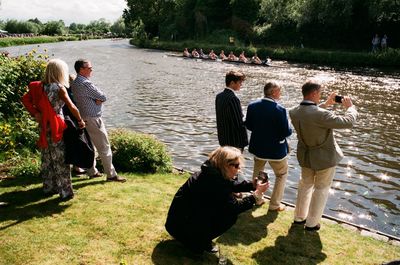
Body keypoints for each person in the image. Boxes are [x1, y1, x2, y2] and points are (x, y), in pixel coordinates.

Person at [165, 146, 268, 253]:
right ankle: (196, 242)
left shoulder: (209, 173)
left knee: (217, 212)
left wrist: (252, 185)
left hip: (175, 224)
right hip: (181, 228)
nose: (239, 169)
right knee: (230, 216)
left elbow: (229, 184)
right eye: (237, 166)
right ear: (226, 165)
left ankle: (197, 239)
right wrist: (255, 196)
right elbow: (235, 208)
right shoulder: (217, 184)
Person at [289, 81, 357, 231]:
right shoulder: (321, 115)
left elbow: (310, 113)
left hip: (305, 156)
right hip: (324, 158)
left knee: (304, 186)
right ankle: (312, 224)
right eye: (319, 93)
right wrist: (350, 107)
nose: (320, 96)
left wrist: (326, 104)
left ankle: (299, 218)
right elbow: (348, 122)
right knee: (321, 189)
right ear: (313, 93)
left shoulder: (293, 111)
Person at [21, 58, 85, 200]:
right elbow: (72, 107)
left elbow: (25, 99)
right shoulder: (59, 88)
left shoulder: (38, 86)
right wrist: (80, 120)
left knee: (47, 156)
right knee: (60, 158)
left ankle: (49, 187)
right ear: (60, 72)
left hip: (44, 125)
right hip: (56, 125)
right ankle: (65, 192)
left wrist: (35, 113)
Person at [71, 59, 126, 182]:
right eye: (89, 68)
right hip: (93, 119)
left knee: (90, 146)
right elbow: (103, 96)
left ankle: (92, 171)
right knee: (104, 147)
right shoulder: (86, 83)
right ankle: (111, 175)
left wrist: (96, 100)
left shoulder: (75, 82)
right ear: (81, 69)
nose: (92, 70)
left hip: (82, 118)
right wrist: (98, 100)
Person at [245, 82, 292, 212]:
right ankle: (275, 204)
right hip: (275, 150)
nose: (280, 93)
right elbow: (286, 132)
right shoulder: (280, 109)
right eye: (279, 91)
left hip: (258, 147)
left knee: (259, 173)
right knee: (281, 174)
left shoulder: (252, 105)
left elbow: (248, 125)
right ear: (274, 92)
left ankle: (258, 198)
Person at [215, 70, 248, 151]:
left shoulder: (219, 96)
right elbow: (238, 123)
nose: (241, 85)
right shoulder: (233, 99)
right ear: (232, 83)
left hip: (223, 138)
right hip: (234, 142)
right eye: (240, 83)